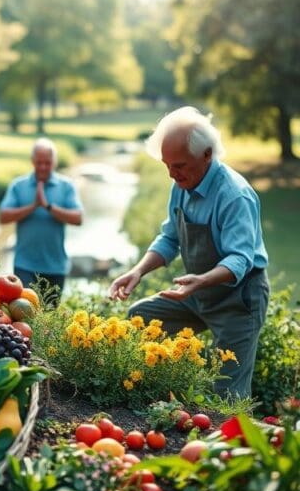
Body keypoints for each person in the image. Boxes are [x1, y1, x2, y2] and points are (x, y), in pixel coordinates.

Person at [109, 106, 269, 398]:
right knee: (139, 318)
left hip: (239, 300)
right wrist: (137, 271)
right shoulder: (182, 184)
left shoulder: (234, 195)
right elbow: (169, 237)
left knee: (227, 395)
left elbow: (240, 260)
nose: (172, 174)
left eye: (179, 165)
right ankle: (154, 397)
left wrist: (200, 281)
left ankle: (228, 438)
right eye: (166, 165)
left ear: (206, 154)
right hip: (197, 292)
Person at [0, 138, 83, 306]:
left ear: (55, 162)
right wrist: (33, 206)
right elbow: (3, 216)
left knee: (48, 319)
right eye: (39, 163)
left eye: (48, 163)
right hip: (25, 266)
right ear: (32, 161)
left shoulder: (66, 186)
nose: (43, 167)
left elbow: (78, 218)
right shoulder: (18, 185)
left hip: (55, 266)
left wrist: (48, 206)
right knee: (24, 316)